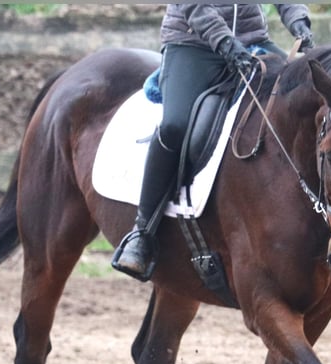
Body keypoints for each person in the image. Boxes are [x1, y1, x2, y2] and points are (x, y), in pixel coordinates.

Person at [112, 3, 314, 281]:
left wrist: (299, 21)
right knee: (175, 126)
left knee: (306, 100)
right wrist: (224, 42)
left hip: (252, 41)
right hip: (193, 44)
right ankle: (143, 232)